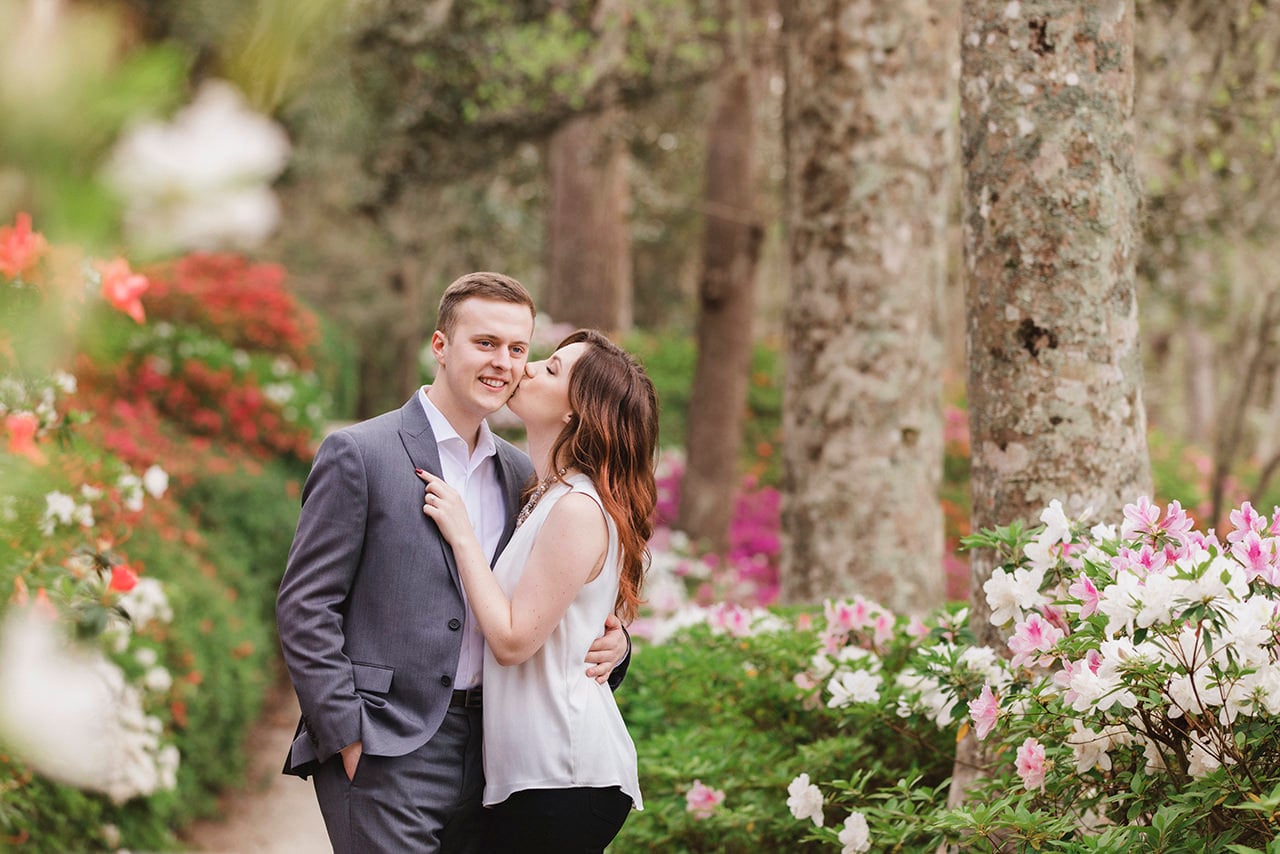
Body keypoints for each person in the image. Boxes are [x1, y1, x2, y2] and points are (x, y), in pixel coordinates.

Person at [276, 273, 631, 854]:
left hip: (494, 755)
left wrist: (615, 645)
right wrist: (346, 735)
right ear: (440, 346)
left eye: (517, 348)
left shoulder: (523, 475)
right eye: (485, 343)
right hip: (387, 744)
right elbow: (305, 606)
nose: (504, 363)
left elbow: (550, 599)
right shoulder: (361, 454)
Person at [418, 328, 657, 853]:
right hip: (532, 777)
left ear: (576, 412)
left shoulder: (577, 507)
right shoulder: (545, 493)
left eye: (551, 369)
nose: (525, 367)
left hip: (563, 775)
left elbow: (512, 641)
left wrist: (462, 535)